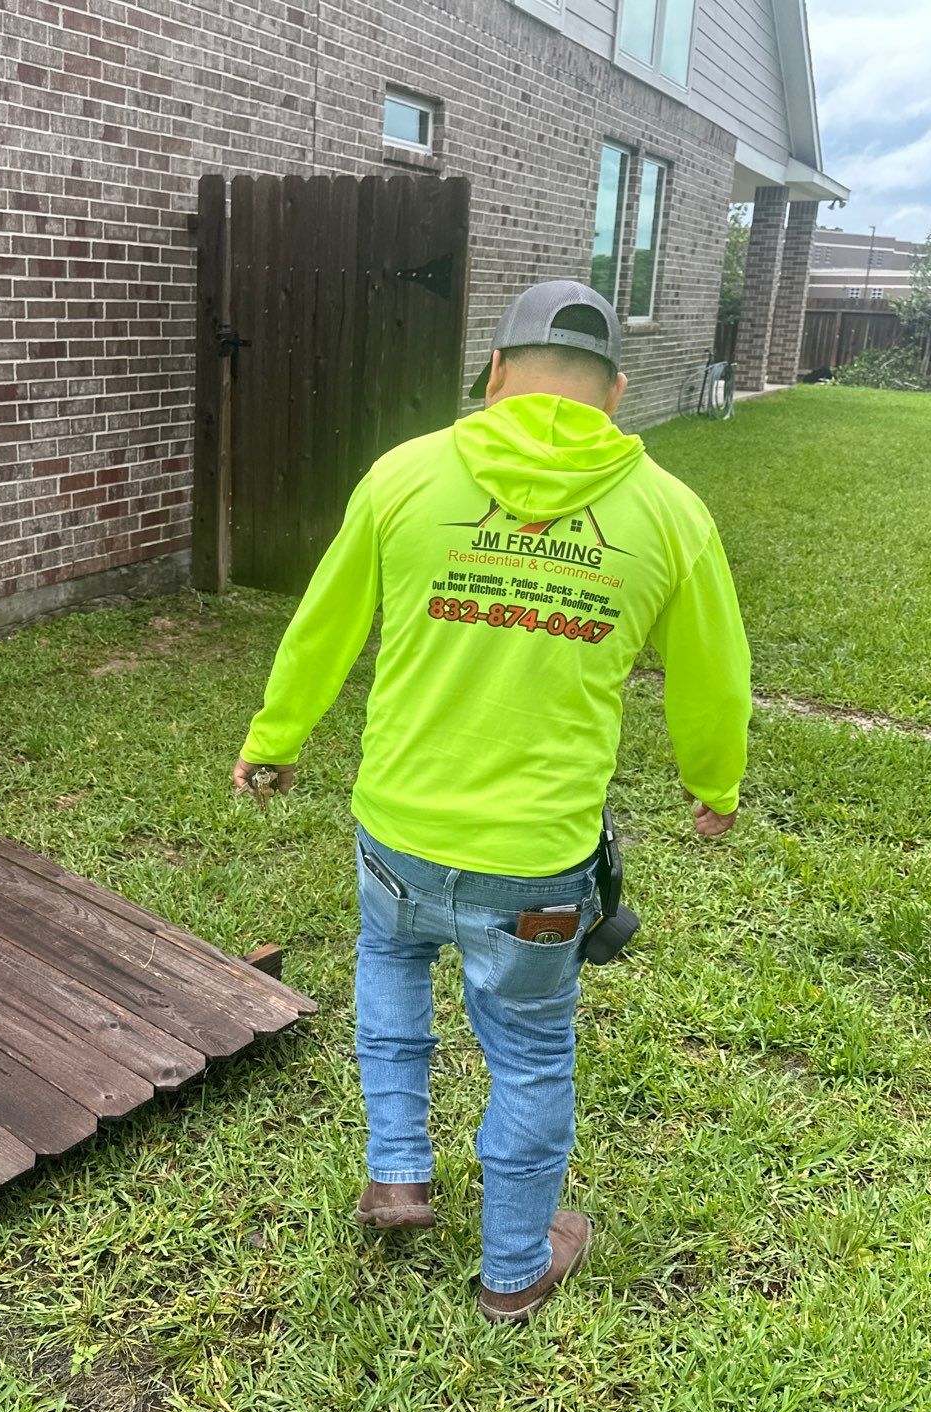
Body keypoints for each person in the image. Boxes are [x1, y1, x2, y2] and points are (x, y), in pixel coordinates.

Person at [232, 279, 751, 1323]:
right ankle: (514, 1271)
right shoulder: (671, 513)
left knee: (390, 961)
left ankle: (398, 1171)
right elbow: (715, 677)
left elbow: (324, 626)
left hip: (399, 833)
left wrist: (274, 740)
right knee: (529, 1052)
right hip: (536, 867)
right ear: (615, 393)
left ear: (496, 374)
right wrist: (716, 785)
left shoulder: (403, 475)